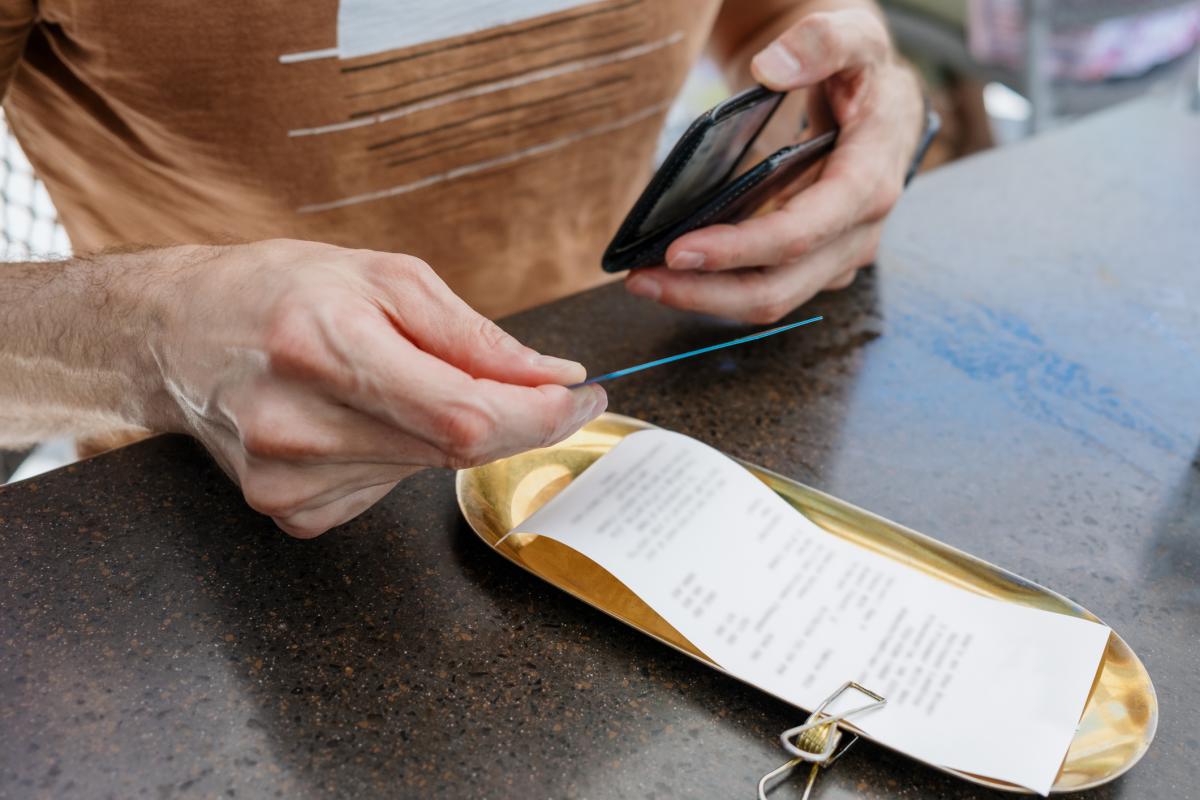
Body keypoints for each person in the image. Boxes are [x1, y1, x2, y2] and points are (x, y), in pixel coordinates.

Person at [0, 0, 925, 537]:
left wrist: (862, 77)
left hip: (617, 446)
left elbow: (781, 19)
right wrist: (157, 340)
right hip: (202, 518)